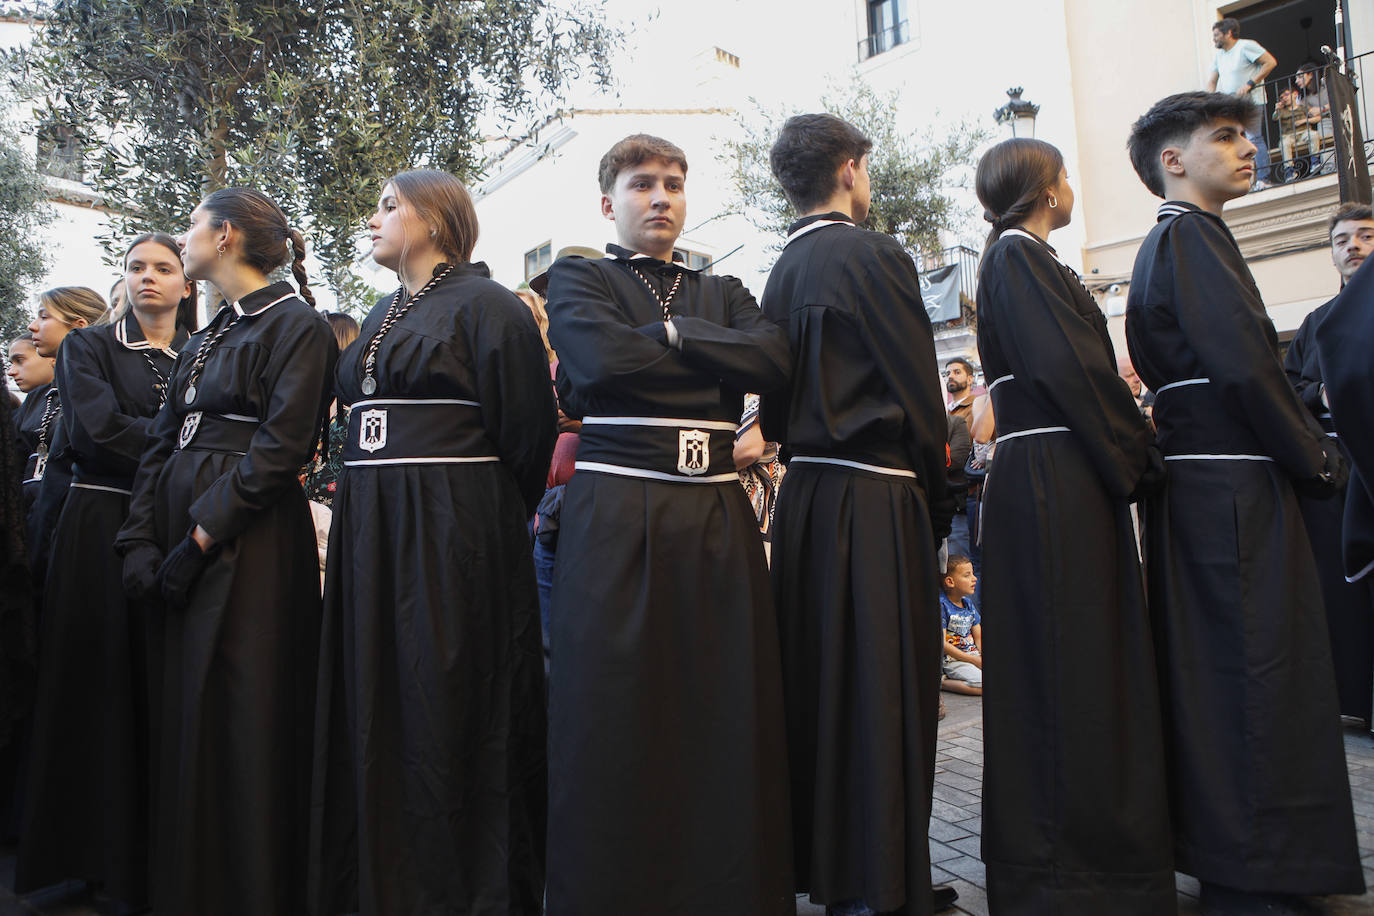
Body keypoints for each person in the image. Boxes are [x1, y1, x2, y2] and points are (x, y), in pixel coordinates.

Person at [544, 134, 793, 916]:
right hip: (617, 511)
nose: (662, 198)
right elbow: (595, 364)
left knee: (724, 704)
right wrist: (717, 360)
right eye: (643, 184)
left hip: (717, 509)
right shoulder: (579, 278)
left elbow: (775, 362)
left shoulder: (723, 289)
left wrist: (676, 336)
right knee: (614, 707)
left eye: (675, 185)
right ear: (608, 201)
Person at [1126, 91, 1361, 909]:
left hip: (1209, 479)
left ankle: (1245, 861)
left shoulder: (1183, 240)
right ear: (1173, 160)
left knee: (1229, 672)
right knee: (1254, 673)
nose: (1247, 149)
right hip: (1231, 483)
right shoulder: (1189, 238)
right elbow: (1246, 367)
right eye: (1224, 137)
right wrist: (1319, 459)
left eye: (1246, 137)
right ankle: (1259, 872)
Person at [309, 170, 555, 916]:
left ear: (437, 219)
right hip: (370, 528)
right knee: (376, 689)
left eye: (389, 205)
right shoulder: (385, 310)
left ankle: (462, 888)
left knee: (449, 700)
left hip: (454, 533)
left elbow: (526, 439)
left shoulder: (489, 307)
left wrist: (468, 524)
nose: (374, 218)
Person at [114, 188, 337, 916]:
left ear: (228, 236)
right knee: (185, 718)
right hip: (180, 531)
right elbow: (160, 441)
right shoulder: (205, 335)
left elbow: (281, 450)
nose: (183, 239)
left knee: (241, 718)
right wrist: (141, 540)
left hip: (247, 548)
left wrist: (199, 538)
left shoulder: (294, 325)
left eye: (190, 227)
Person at [760, 113, 956, 916]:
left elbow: (771, 412)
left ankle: (839, 874)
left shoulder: (779, 274)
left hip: (806, 498)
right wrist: (935, 509)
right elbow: (918, 391)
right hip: (876, 494)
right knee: (885, 688)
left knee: (820, 688)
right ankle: (886, 881)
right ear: (850, 168)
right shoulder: (874, 255)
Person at [974, 136, 1172, 914]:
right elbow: (1075, 372)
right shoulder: (1019, 257)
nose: (1072, 187)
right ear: (1048, 189)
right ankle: (1073, 871)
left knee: (1078, 660)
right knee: (1070, 662)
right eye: (1066, 176)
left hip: (1058, 472)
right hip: (1055, 477)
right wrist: (1138, 456)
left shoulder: (1020, 258)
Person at [16, 232, 195, 911]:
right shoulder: (91, 346)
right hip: (97, 527)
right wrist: (183, 446)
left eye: (164, 268)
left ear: (187, 283)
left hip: (166, 527)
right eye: (135, 267)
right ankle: (86, 857)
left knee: (152, 687)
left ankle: (146, 858)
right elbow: (94, 431)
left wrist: (177, 446)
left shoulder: (199, 355)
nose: (148, 278)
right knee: (91, 687)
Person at [1283, 202, 1374, 724]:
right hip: (1338, 471)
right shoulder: (1315, 325)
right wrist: (1324, 395)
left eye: (1364, 236)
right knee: (1342, 589)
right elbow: (1292, 391)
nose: (1354, 247)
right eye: (1343, 240)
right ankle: (1355, 703)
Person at [22, 288, 107, 572]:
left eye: (44, 317)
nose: (33, 326)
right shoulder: (39, 396)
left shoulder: (101, 393)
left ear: (78, 327)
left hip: (75, 527)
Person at [1208, 17, 1276, 187]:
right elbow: (1212, 81)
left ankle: (1264, 178)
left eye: (1216, 35)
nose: (1214, 39)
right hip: (1232, 104)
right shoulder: (1219, 56)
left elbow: (1270, 62)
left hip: (1251, 100)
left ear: (1229, 33)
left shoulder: (1245, 46)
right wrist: (1208, 102)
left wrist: (1250, 84)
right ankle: (1249, 179)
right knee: (1236, 142)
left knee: (1254, 138)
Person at [939, 555, 982, 696]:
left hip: (972, 656)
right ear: (950, 582)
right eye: (967, 575)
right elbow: (943, 644)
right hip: (953, 660)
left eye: (973, 573)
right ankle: (942, 682)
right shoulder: (942, 605)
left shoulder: (968, 604)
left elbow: (978, 637)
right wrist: (973, 660)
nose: (974, 578)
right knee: (985, 686)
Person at [1295, 63, 1332, 174]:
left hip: (1338, 117)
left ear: (1310, 75)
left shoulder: (1324, 83)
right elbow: (1308, 113)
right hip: (1324, 122)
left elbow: (1338, 98)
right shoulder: (1304, 98)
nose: (1297, 81)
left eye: (1300, 77)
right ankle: (1328, 170)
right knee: (1327, 152)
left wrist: (1322, 108)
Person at [944, 356, 975, 420]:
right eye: (947, 374)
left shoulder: (976, 407)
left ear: (970, 379)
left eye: (957, 372)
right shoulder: (945, 409)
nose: (950, 376)